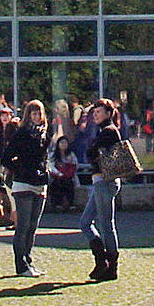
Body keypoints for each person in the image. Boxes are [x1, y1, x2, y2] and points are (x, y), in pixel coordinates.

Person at [4, 99, 51, 277]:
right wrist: (21, 169)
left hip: (40, 183)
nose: (37, 117)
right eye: (33, 114)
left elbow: (44, 157)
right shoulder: (22, 133)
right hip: (23, 182)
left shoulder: (44, 134)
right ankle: (20, 265)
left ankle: (28, 261)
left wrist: (44, 172)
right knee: (23, 226)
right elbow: (7, 157)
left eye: (39, 113)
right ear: (28, 115)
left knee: (32, 226)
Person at [80, 98, 123, 282]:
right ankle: (103, 261)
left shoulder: (108, 131)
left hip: (104, 180)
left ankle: (108, 265)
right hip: (102, 181)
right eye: (94, 112)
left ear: (108, 113)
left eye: (98, 112)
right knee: (87, 222)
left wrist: (92, 151)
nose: (95, 115)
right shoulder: (105, 131)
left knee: (105, 224)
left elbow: (91, 154)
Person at [48, 135, 78, 212]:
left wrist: (67, 173)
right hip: (56, 176)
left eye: (65, 143)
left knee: (69, 183)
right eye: (62, 143)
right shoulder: (53, 154)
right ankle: (57, 204)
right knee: (56, 184)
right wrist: (58, 173)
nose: (63, 144)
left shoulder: (71, 155)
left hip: (68, 176)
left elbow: (74, 165)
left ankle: (70, 204)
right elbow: (50, 166)